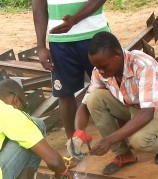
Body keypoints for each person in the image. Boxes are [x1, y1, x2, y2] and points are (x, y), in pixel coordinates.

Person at [67, 31, 158, 176]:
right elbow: (85, 105)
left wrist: (109, 140)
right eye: (97, 67)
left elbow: (147, 113)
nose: (100, 71)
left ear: (117, 55)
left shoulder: (143, 66)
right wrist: (78, 133)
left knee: (139, 141)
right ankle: (124, 155)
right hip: (135, 108)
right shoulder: (100, 69)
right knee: (94, 98)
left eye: (103, 66)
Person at [32, 0, 109, 140]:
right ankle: (73, 141)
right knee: (65, 92)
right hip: (59, 41)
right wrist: (40, 46)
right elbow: (38, 6)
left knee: (110, 84)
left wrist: (75, 19)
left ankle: (121, 138)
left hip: (95, 35)